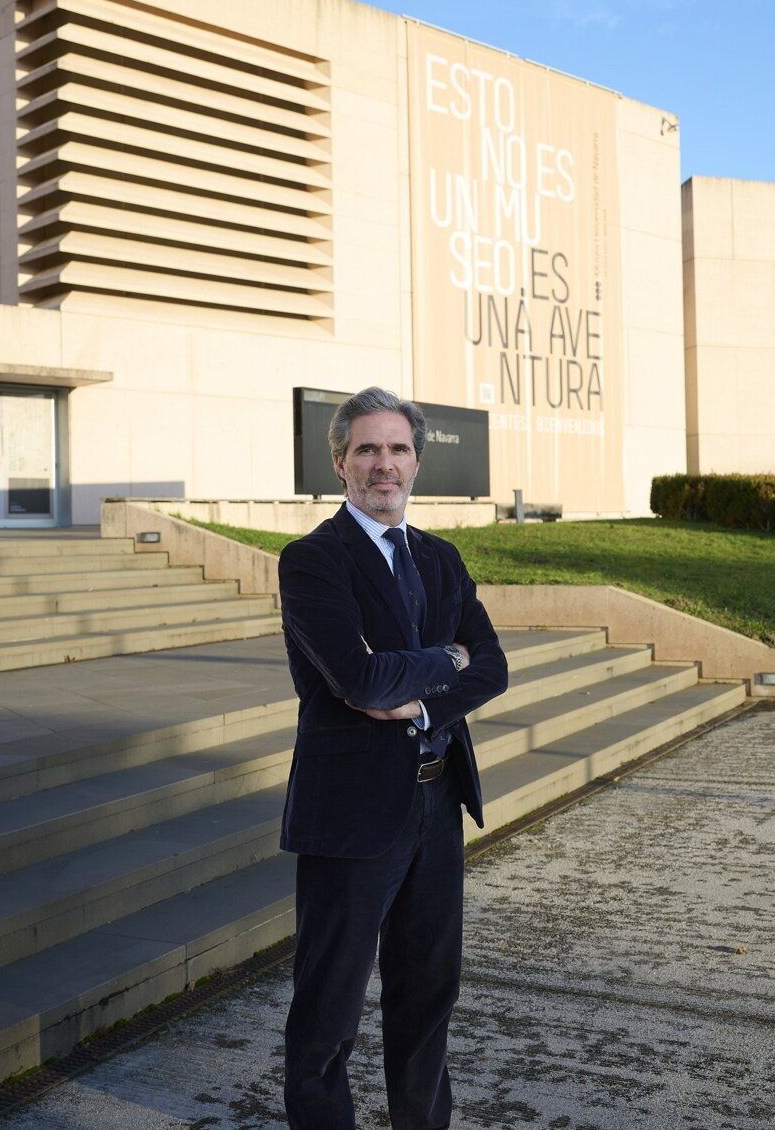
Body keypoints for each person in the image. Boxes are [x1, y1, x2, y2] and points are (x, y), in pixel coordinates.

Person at [277, 386, 509, 1129]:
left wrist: (423, 694)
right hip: (351, 815)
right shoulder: (314, 561)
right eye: (367, 450)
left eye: (398, 449)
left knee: (427, 995)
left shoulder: (440, 559)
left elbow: (493, 667)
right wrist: (448, 659)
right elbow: (360, 678)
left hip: (436, 805)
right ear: (340, 461)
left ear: (416, 462)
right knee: (329, 1010)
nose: (385, 465)